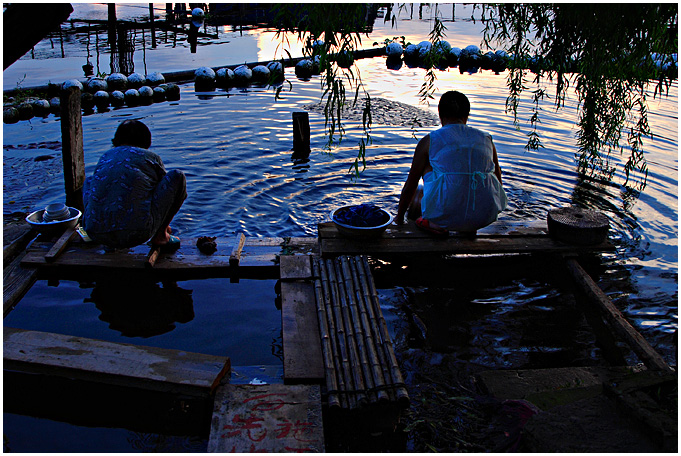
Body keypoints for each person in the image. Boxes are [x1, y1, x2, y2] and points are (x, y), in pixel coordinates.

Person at [396, 90, 507, 235]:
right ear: (467, 115)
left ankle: (435, 224)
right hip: (483, 218)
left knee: (424, 177)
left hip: (443, 218)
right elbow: (498, 181)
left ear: (440, 114)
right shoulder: (486, 140)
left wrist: (399, 218)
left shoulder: (430, 141)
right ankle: (468, 226)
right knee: (479, 173)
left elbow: (411, 185)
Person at [82, 119, 187, 249]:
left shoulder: (106, 156)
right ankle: (160, 235)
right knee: (177, 176)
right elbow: (165, 194)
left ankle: (108, 237)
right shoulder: (150, 157)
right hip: (137, 233)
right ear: (146, 141)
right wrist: (163, 223)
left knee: (90, 181)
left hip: (94, 233)